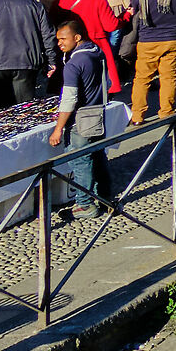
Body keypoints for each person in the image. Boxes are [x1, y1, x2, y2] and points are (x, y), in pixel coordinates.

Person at [47, 16, 113, 221]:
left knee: (81, 161)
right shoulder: (96, 52)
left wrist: (58, 128)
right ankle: (105, 197)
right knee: (98, 156)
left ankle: (84, 205)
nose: (60, 44)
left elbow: (69, 99)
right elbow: (107, 82)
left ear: (77, 37)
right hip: (97, 113)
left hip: (80, 120)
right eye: (57, 40)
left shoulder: (73, 64)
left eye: (63, 39)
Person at [0, 0, 56, 110]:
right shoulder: (36, 7)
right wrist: (51, 60)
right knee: (24, 109)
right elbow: (48, 35)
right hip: (26, 63)